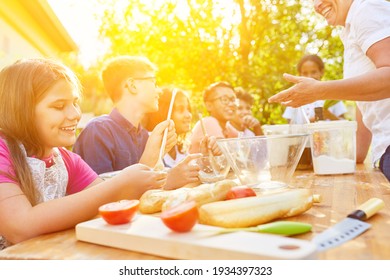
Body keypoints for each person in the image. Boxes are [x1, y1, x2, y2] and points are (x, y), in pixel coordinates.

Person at [0, 58, 167, 249]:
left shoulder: (66, 159)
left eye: (75, 103)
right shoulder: (3, 151)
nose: (75, 114)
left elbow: (108, 202)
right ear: (21, 110)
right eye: (59, 106)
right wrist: (120, 184)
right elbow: (20, 226)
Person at [268, 0, 390, 180]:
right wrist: (353, 153)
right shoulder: (350, 28)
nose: (317, 4)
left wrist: (320, 91)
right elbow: (365, 100)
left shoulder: (366, 10)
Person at [73, 56, 176, 172]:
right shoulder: (99, 131)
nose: (159, 90)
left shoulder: (144, 136)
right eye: (153, 82)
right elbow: (102, 189)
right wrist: (149, 162)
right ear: (132, 85)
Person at [143, 87, 221, 186]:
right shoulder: (149, 141)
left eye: (188, 109)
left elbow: (190, 178)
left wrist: (205, 158)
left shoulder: (180, 148)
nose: (188, 115)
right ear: (165, 113)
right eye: (180, 110)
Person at [282, 54, 347, 123]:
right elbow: (290, 125)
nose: (309, 76)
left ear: (321, 72)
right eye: (305, 73)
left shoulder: (332, 96)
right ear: (299, 74)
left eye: (313, 72)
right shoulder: (295, 97)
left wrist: (330, 116)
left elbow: (344, 124)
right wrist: (312, 120)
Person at [189, 81, 239, 153]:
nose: (231, 104)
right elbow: (226, 155)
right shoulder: (208, 122)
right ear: (209, 105)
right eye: (225, 99)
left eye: (233, 100)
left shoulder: (228, 128)